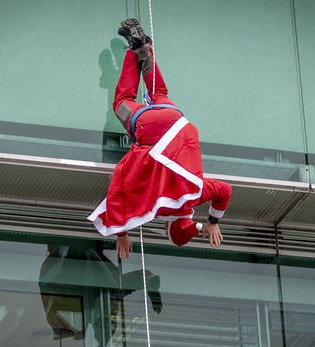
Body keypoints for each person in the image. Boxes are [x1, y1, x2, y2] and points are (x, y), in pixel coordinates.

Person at [88, 19, 232, 259]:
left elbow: (225, 190)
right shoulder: (156, 202)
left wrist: (212, 222)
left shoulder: (197, 193)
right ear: (168, 225)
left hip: (177, 121)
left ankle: (144, 48)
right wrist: (121, 234)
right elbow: (120, 194)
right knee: (122, 101)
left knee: (159, 93)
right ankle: (133, 50)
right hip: (149, 126)